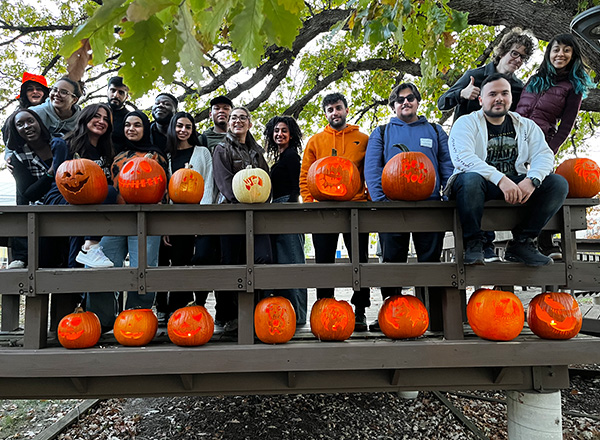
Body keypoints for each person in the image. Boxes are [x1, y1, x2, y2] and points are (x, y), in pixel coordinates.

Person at [446, 73, 568, 267]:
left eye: (504, 93)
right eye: (492, 94)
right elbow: (463, 158)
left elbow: (544, 155)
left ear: (511, 97)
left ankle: (522, 242)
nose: (499, 98)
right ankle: (474, 244)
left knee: (558, 183)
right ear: (481, 100)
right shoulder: (466, 123)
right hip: (478, 185)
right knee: (470, 180)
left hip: (515, 184)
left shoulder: (525, 125)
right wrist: (501, 179)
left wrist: (532, 180)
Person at [438, 29, 535, 262]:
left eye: (522, 57)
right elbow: (442, 103)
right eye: (514, 53)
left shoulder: (518, 88)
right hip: (469, 151)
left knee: (501, 189)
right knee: (473, 184)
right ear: (502, 52)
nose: (517, 59)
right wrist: (461, 94)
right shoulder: (475, 75)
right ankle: (479, 245)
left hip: (499, 151)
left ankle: (514, 245)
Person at [365, 83, 453, 331]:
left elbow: (447, 164)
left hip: (429, 207)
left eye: (410, 98)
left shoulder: (435, 131)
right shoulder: (381, 133)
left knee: (430, 262)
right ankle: (392, 315)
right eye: (400, 99)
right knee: (392, 263)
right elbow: (372, 169)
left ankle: (432, 317)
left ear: (418, 101)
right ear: (393, 105)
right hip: (392, 208)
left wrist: (446, 194)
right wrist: (381, 202)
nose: (406, 102)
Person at [86, 110, 168, 331]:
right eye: (128, 125)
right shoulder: (113, 152)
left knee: (144, 266)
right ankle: (102, 320)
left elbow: (165, 187)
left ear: (145, 129)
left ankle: (136, 319)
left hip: (147, 218)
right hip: (115, 217)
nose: (132, 129)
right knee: (100, 264)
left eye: (137, 125)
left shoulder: (155, 154)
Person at [515, 34, 593, 258]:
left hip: (541, 142)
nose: (560, 54)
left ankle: (544, 240)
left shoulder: (573, 87)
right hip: (515, 139)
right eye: (556, 49)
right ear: (549, 53)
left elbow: (566, 125)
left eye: (567, 50)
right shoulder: (534, 79)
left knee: (545, 185)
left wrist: (549, 150)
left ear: (573, 56)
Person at [42, 103, 117, 332]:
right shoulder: (66, 143)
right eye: (96, 116)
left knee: (107, 195)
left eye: (106, 118)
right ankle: (90, 246)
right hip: (63, 196)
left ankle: (82, 310)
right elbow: (54, 178)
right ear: (84, 118)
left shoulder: (106, 152)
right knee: (104, 197)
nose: (101, 121)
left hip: (89, 206)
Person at [299, 92, 370, 331]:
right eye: (330, 110)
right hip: (323, 210)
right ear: (326, 114)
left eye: (338, 108)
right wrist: (310, 202)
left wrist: (367, 198)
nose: (334, 113)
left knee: (359, 261)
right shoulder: (315, 141)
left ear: (346, 110)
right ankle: (324, 306)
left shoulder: (362, 138)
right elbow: (305, 175)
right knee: (324, 263)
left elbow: (370, 171)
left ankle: (360, 309)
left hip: (356, 208)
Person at [213, 106, 272, 334]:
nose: (237, 121)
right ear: (228, 123)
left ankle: (258, 311)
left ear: (250, 123)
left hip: (258, 216)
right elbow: (225, 184)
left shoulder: (257, 151)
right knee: (231, 263)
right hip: (231, 214)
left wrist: (262, 202)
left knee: (262, 258)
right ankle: (227, 315)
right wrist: (243, 203)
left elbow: (265, 180)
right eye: (233, 118)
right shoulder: (222, 149)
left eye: (242, 118)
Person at [155, 112, 214, 324]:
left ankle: (180, 307)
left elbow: (208, 184)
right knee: (166, 261)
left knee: (187, 261)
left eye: (188, 127)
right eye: (179, 126)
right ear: (173, 127)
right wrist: (166, 225)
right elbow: (165, 190)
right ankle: (161, 306)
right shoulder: (166, 156)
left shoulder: (202, 152)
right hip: (173, 217)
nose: (183, 130)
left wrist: (202, 218)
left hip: (195, 215)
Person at [264, 115, 308, 325]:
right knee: (282, 261)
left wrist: (289, 212)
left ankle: (298, 316)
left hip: (287, 210)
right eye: (276, 131)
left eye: (284, 130)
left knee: (293, 261)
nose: (279, 134)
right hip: (277, 209)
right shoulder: (281, 157)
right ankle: (288, 312)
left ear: (291, 134)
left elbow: (296, 188)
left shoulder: (292, 157)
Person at [4, 109, 55, 269]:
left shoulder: (58, 144)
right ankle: (21, 256)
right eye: (20, 124)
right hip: (39, 210)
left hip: (64, 203)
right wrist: (50, 173)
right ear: (16, 130)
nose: (26, 126)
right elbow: (29, 193)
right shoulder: (18, 157)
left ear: (39, 122)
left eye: (30, 121)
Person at [3, 72, 49, 149]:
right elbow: (9, 139)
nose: (35, 91)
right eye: (30, 89)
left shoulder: (54, 112)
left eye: (39, 89)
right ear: (25, 94)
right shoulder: (15, 117)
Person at [106, 76, 130, 154]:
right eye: (113, 90)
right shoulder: (94, 111)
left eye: (121, 92)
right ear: (107, 92)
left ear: (126, 97)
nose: (116, 95)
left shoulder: (130, 118)